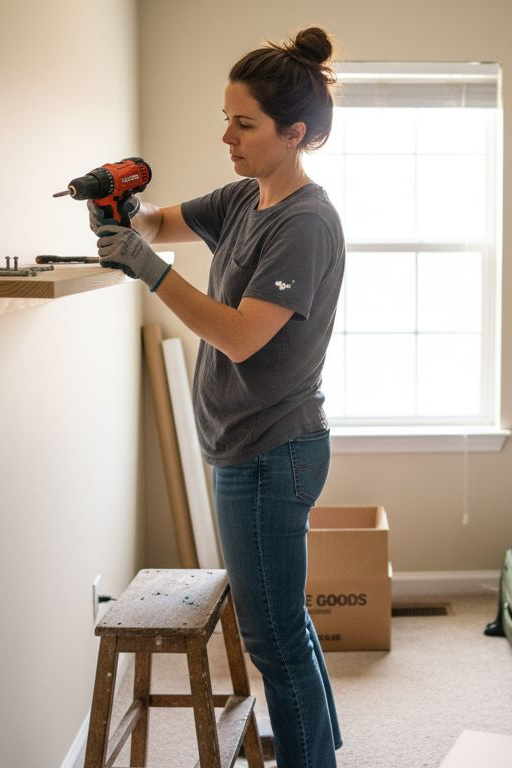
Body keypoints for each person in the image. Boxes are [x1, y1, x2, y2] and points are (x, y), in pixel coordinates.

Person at [90, 26, 344, 768]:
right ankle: (320, 747)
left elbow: (239, 337)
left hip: (273, 453)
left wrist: (147, 268)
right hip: (254, 445)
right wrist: (120, 218)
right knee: (285, 624)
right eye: (226, 116)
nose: (225, 135)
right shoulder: (246, 199)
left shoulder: (305, 224)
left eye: (244, 123)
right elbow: (162, 223)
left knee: (271, 640)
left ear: (294, 133)